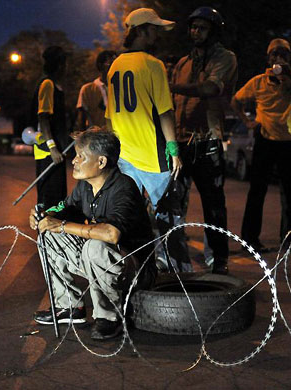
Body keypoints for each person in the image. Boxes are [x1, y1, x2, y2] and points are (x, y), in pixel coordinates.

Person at [29, 128, 156, 340]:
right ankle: (69, 307)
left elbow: (111, 233)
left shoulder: (124, 187)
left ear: (101, 162)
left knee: (94, 245)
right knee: (49, 235)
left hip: (136, 270)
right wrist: (44, 214)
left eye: (81, 156)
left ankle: (110, 317)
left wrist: (61, 225)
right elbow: (64, 209)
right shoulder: (85, 187)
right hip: (106, 263)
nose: (74, 161)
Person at [105, 8, 186, 271]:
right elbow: (165, 111)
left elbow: (109, 118)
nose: (158, 34)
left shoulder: (114, 66)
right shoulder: (153, 65)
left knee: (132, 215)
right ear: (141, 31)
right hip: (153, 156)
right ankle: (175, 269)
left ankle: (138, 266)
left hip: (124, 158)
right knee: (168, 216)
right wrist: (174, 150)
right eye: (155, 29)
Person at [170, 6, 237, 274]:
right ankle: (175, 258)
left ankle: (218, 260)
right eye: (193, 27)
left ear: (214, 31)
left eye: (202, 28)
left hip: (208, 140)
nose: (196, 32)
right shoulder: (183, 64)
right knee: (175, 203)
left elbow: (210, 88)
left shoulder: (225, 58)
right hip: (181, 142)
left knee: (214, 205)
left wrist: (172, 86)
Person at [231, 38, 291, 252]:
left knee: (290, 193)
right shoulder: (258, 81)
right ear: (268, 58)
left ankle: (287, 237)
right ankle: (250, 239)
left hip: (289, 142)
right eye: (275, 54)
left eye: (283, 54)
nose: (278, 57)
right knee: (257, 191)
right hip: (265, 140)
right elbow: (235, 100)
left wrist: (290, 74)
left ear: (289, 58)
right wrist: (247, 122)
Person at [31, 46, 70, 209]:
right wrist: (52, 148)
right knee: (49, 198)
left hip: (57, 152)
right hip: (49, 152)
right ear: (60, 65)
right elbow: (43, 117)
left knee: (58, 198)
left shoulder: (55, 85)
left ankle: (53, 233)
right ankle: (45, 233)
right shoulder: (48, 84)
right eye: (65, 64)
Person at [75, 50, 116, 130]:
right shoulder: (88, 89)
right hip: (96, 137)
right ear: (100, 66)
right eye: (111, 64)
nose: (114, 67)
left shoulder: (121, 88)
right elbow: (81, 119)